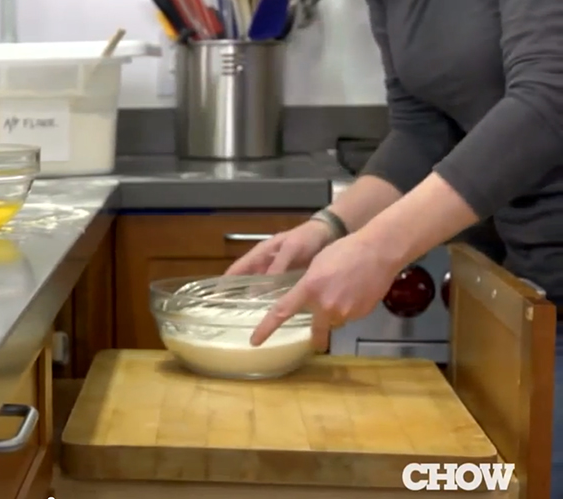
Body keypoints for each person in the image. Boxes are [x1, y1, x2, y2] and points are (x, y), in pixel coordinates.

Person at [226, 0, 563, 495]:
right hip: (538, 283)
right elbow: (422, 132)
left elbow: (549, 99)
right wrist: (327, 228)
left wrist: (377, 249)